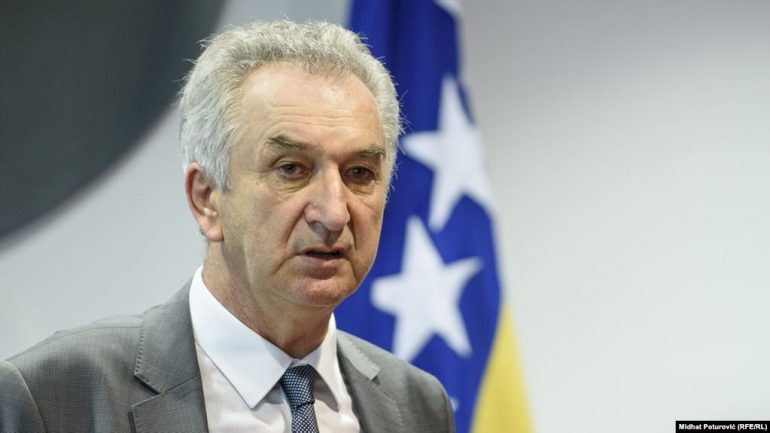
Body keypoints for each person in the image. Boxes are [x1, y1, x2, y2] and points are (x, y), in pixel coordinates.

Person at [0, 20, 455, 433]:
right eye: (291, 169)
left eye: (359, 173)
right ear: (206, 199)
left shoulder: (416, 405)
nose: (334, 213)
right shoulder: (53, 398)